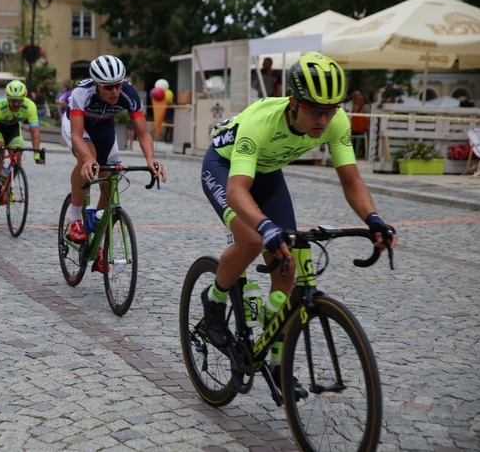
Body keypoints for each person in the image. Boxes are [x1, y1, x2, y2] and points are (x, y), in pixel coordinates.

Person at [200, 51, 397, 396]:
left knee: (287, 267)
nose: (323, 119)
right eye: (314, 111)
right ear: (293, 103)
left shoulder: (336, 122)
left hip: (268, 174)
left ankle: (277, 363)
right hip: (224, 167)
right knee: (251, 240)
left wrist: (373, 218)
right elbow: (236, 190)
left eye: (331, 109)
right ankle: (214, 303)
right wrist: (264, 226)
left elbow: (351, 180)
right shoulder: (261, 121)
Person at [61, 55, 166, 273]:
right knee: (88, 156)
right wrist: (88, 159)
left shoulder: (128, 92)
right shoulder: (82, 92)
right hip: (79, 127)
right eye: (108, 87)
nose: (115, 91)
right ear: (97, 84)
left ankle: (98, 247)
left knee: (112, 175)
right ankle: (75, 219)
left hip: (104, 128)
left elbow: (143, 133)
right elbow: (78, 135)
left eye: (118, 85)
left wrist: (150, 160)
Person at [0, 80, 44, 205]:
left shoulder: (30, 106)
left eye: (19, 100)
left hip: (14, 129)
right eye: (12, 100)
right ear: (7, 98)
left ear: (24, 98)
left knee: (17, 159)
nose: (16, 103)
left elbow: (35, 131)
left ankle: (6, 183)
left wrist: (36, 153)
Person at [345, 89, 371, 158]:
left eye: (360, 98)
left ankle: (361, 153)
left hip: (362, 128)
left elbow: (367, 118)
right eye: (356, 97)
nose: (358, 100)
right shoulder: (350, 105)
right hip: (351, 127)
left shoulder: (366, 107)